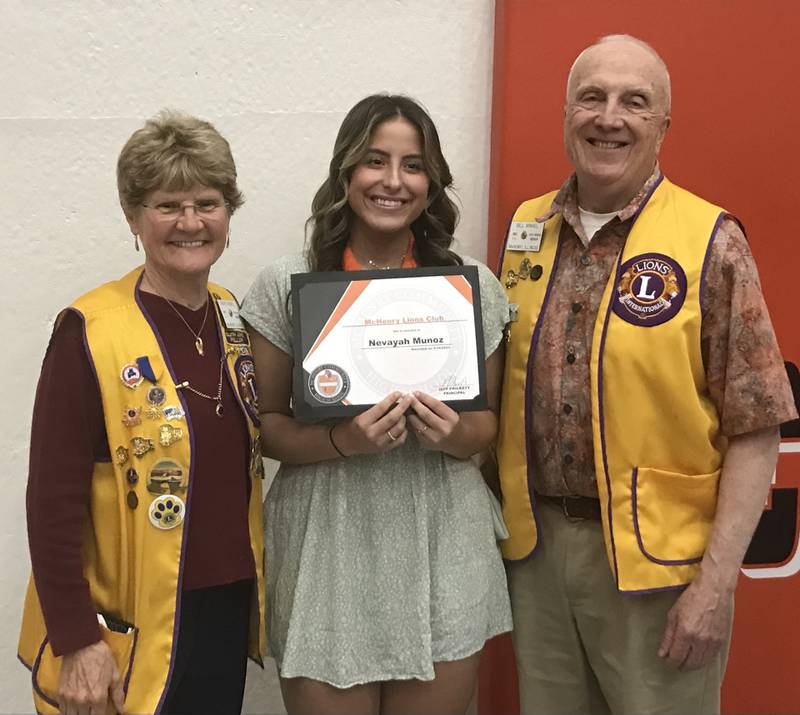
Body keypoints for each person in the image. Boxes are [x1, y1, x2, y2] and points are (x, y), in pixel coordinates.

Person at [495, 35, 797, 715]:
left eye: (636, 102)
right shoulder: (526, 229)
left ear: (663, 127)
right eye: (592, 97)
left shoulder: (711, 239)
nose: (610, 117)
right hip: (539, 557)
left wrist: (715, 587)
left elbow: (756, 425)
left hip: (662, 572)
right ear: (566, 112)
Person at [241, 94, 512, 715]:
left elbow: (486, 426)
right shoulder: (286, 284)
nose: (393, 181)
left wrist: (452, 436)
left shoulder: (472, 285)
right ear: (345, 173)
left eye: (412, 165)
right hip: (326, 546)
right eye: (374, 161)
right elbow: (266, 428)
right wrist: (344, 442)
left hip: (443, 538)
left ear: (432, 181)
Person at [18, 111, 266, 715]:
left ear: (228, 214)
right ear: (133, 217)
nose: (190, 222)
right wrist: (77, 641)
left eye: (207, 202)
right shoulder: (90, 329)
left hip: (223, 605)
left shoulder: (230, 314)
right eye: (167, 205)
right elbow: (52, 499)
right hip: (127, 623)